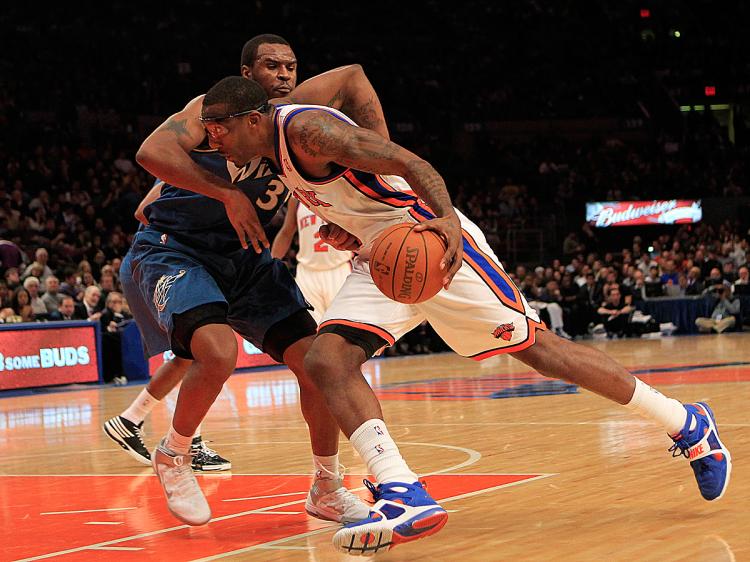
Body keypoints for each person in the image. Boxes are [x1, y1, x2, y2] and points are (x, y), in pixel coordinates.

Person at [200, 76, 731, 554]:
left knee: (540, 350)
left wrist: (447, 222)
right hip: (380, 258)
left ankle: (688, 425)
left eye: (216, 127)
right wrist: (351, 224)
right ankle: (401, 488)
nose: (211, 137)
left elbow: (412, 164)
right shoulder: (265, 154)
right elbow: (358, 190)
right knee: (325, 361)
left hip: (430, 242)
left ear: (251, 120)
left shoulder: (311, 132)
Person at [110, 34, 386, 526]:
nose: (283, 75)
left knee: (318, 365)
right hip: (180, 249)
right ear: (245, 73)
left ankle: (326, 485)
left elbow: (354, 77)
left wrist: (377, 176)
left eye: (291, 66)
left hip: (248, 259)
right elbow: (151, 150)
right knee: (216, 352)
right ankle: (173, 454)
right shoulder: (209, 111)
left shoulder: (298, 115)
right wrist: (226, 194)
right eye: (272, 66)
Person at [271, 196, 352, 322]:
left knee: (344, 331)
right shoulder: (296, 198)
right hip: (307, 274)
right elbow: (286, 232)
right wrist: (270, 266)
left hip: (339, 271)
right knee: (309, 332)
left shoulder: (342, 193)